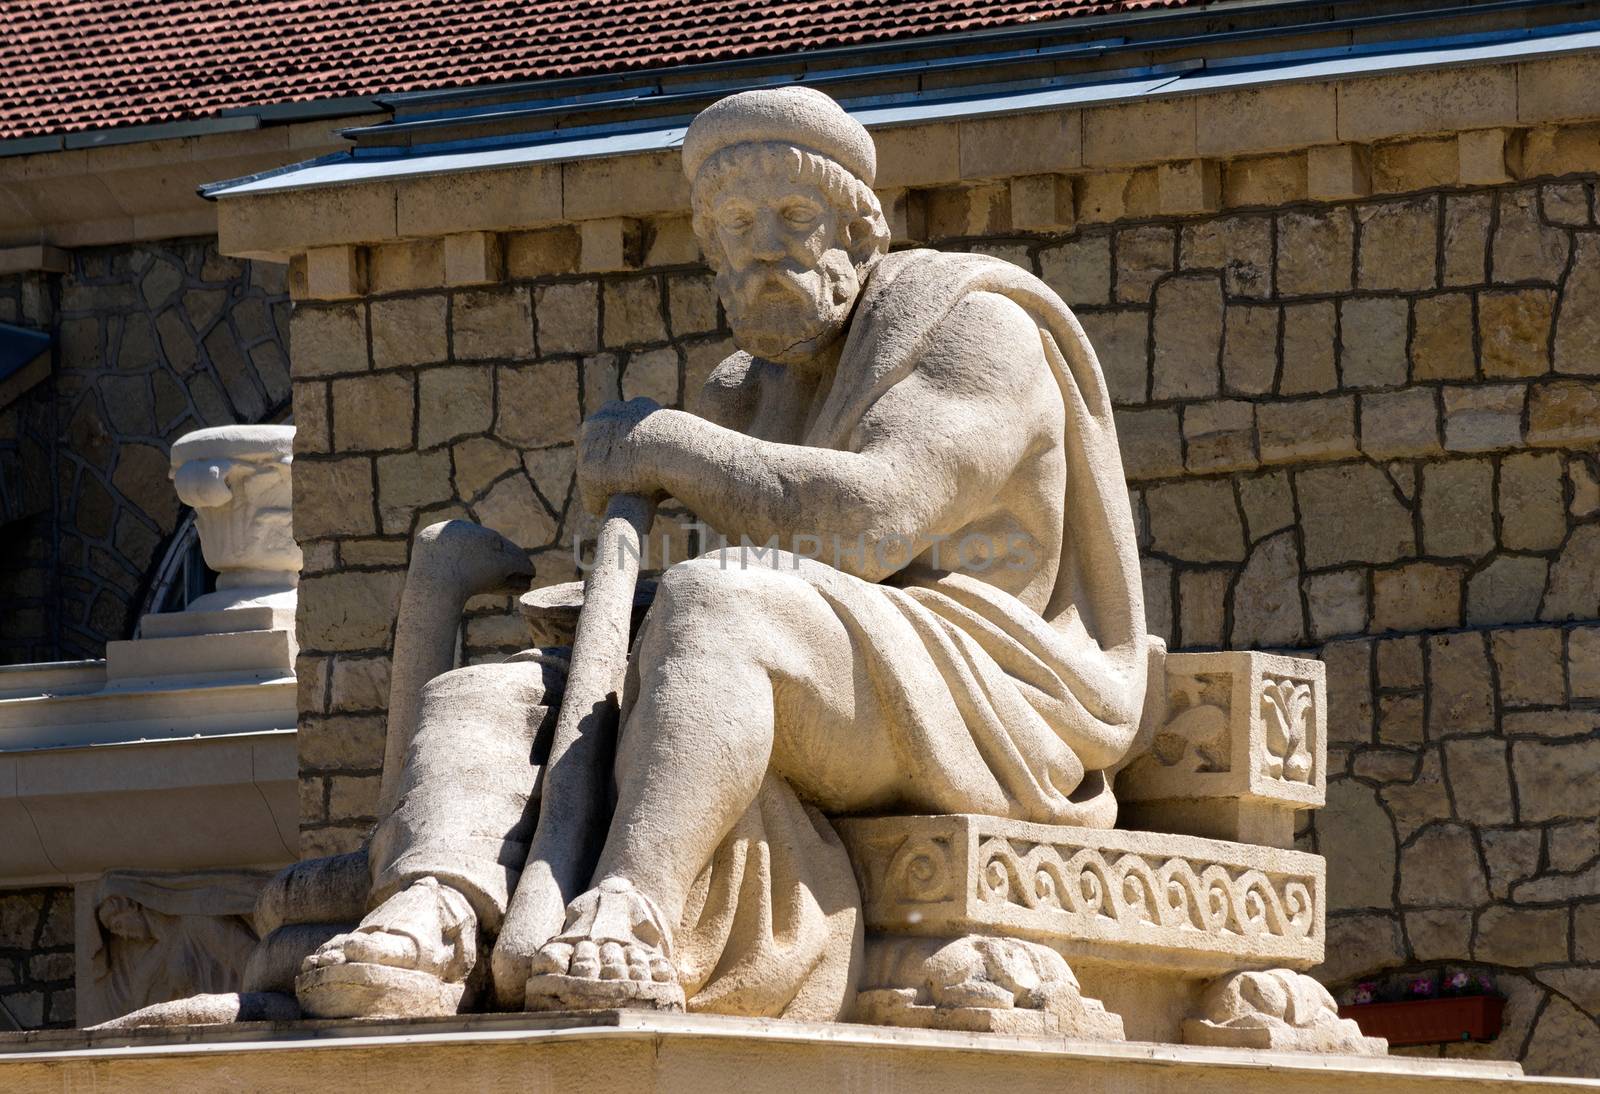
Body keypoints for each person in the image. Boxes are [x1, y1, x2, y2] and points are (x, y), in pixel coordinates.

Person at [298, 86, 1148, 1021]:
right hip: (822, 661)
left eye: (795, 218)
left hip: (995, 686)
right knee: (495, 689)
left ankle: (634, 909)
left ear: (863, 235)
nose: (766, 253)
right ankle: (438, 914)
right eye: (738, 228)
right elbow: (773, 590)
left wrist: (665, 445)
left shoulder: (972, 330)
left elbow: (870, 522)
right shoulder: (746, 390)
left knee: (716, 602)